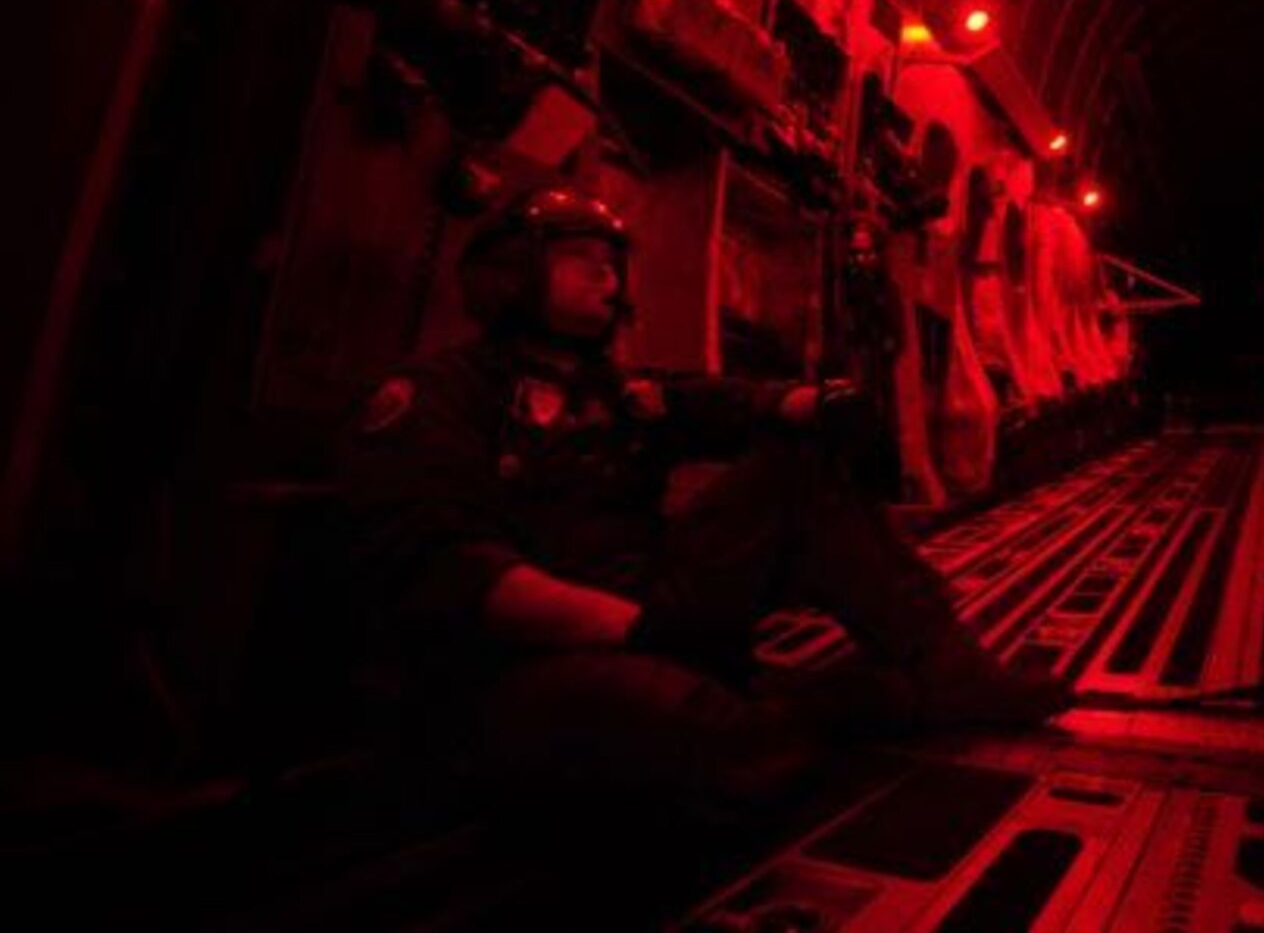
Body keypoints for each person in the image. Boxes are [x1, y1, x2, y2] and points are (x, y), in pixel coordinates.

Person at [337, 186, 1070, 811]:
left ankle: (945, 669)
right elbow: (441, 567)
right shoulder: (439, 396)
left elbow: (714, 402)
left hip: (653, 611)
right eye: (582, 264)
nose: (610, 283)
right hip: (521, 658)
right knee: (682, 730)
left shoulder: (617, 393)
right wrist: (638, 630)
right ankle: (823, 707)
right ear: (511, 274)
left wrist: (822, 404)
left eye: (613, 267)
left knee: (798, 468)